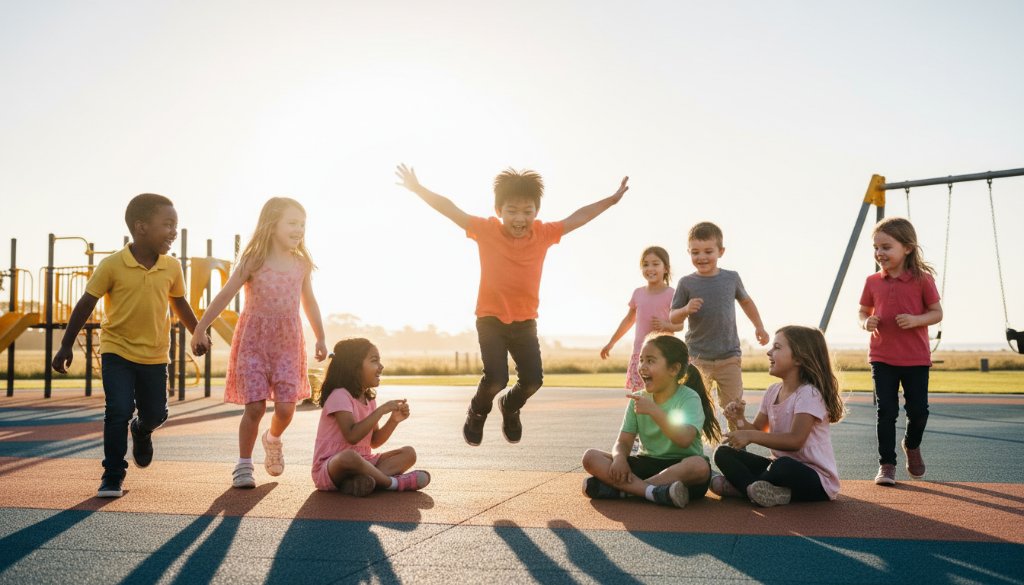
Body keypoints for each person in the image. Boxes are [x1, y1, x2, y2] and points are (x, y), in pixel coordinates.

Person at [395, 163, 628, 446]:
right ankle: (477, 412)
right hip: (490, 319)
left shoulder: (543, 233)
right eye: (512, 211)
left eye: (527, 212)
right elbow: (451, 209)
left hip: (525, 322)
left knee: (533, 381)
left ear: (536, 212)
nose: (520, 219)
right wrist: (419, 189)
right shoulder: (485, 229)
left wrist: (611, 201)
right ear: (498, 211)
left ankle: (510, 406)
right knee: (495, 378)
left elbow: (579, 217)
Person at [51, 193, 202, 498]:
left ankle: (142, 429)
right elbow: (85, 304)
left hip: (156, 354)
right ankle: (112, 474)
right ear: (141, 227)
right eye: (168, 224)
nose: (174, 231)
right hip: (116, 350)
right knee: (118, 409)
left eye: (176, 225)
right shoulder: (111, 265)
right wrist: (66, 345)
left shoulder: (172, 267)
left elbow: (180, 302)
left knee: (157, 413)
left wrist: (198, 332)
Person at [191, 197, 327, 489]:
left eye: (302, 224)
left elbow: (310, 302)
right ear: (272, 223)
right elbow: (226, 294)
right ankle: (243, 465)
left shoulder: (301, 264)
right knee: (253, 407)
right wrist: (200, 328)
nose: (298, 229)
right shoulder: (254, 259)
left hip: (288, 344)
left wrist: (321, 336)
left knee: (286, 409)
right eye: (292, 223)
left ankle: (273, 438)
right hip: (254, 341)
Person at [581, 334, 720, 509]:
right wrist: (619, 459)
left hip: (681, 469)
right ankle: (653, 493)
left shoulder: (689, 397)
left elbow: (684, 440)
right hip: (646, 463)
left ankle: (626, 491)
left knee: (699, 466)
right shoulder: (637, 399)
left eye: (650, 361)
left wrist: (655, 411)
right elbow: (624, 441)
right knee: (590, 457)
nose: (642, 367)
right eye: (641, 360)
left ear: (673, 369)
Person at [712, 326, 845, 507]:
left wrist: (750, 435)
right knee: (723, 453)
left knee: (783, 466)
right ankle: (755, 489)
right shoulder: (772, 391)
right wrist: (740, 420)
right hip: (776, 468)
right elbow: (758, 430)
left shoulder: (809, 394)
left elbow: (795, 441)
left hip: (815, 479)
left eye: (776, 347)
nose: (769, 352)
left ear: (798, 357)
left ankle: (742, 488)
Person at [858, 217, 942, 486]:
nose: (879, 253)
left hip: (916, 357)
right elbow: (862, 311)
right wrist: (865, 322)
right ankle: (887, 464)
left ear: (907, 248)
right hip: (882, 356)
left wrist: (917, 320)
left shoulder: (922, 280)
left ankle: (911, 444)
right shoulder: (872, 281)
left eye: (886, 247)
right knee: (886, 411)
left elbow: (937, 313)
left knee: (918, 411)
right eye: (876, 247)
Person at [669, 221, 769, 431]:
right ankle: (690, 449)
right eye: (695, 252)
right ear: (688, 252)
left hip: (728, 357)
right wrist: (686, 309)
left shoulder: (731, 278)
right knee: (693, 406)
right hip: (697, 358)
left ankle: (738, 449)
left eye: (708, 251)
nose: (702, 257)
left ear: (720, 251)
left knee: (733, 407)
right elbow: (673, 318)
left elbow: (747, 302)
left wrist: (759, 327)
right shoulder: (686, 283)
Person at [311, 338, 429, 495]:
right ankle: (392, 483)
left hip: (364, 462)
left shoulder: (369, 400)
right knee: (349, 457)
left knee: (409, 453)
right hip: (331, 467)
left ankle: (357, 483)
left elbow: (374, 441)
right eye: (374, 361)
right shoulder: (340, 395)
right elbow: (352, 436)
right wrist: (381, 411)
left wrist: (393, 420)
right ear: (354, 367)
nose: (381, 367)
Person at [600, 246, 684, 394]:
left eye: (655, 264)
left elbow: (680, 325)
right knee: (640, 397)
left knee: (663, 398)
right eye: (645, 264)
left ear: (666, 268)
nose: (650, 268)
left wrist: (665, 325)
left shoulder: (672, 294)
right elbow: (628, 320)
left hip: (664, 357)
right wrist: (611, 342)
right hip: (641, 355)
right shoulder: (638, 293)